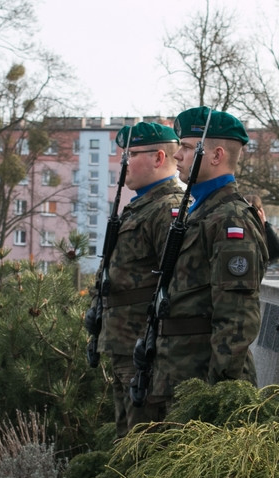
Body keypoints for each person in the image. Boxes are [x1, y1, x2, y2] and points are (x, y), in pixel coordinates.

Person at [145, 106, 267, 409]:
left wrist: (216, 397)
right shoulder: (201, 211)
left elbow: (236, 319)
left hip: (205, 385)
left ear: (215, 155)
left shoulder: (231, 220)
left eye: (186, 148)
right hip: (181, 375)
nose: (177, 155)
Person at [96, 122, 184, 437]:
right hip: (125, 344)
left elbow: (175, 285)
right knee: (125, 438)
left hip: (144, 349)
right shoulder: (142, 206)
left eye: (132, 154)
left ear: (159, 157)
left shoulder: (168, 208)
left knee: (140, 443)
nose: (124, 162)